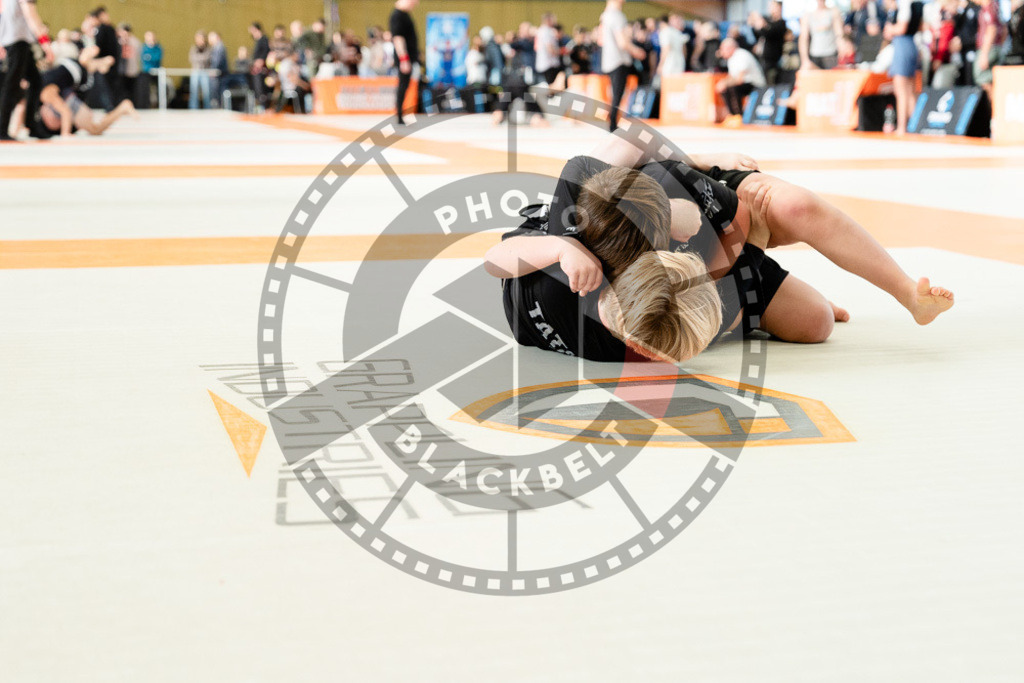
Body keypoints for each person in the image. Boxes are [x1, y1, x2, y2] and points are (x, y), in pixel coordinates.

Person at [486, 133, 954, 361]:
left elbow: (496, 258)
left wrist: (563, 251)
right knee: (815, 323)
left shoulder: (585, 237)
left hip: (651, 215)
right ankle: (740, 295)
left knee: (794, 210)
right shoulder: (646, 330)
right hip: (674, 263)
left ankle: (907, 293)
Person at [34, 45, 136, 137]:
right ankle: (122, 108)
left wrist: (65, 134)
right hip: (74, 81)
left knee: (94, 129)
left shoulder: (46, 93)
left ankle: (100, 63)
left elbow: (65, 112)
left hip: (72, 72)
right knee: (95, 130)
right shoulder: (47, 95)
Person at [1, 0, 54, 141]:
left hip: (18, 40)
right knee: (11, 85)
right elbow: (31, 15)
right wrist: (45, 43)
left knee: (36, 81)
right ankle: (2, 128)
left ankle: (31, 125)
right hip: (17, 41)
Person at [599, 0, 644, 132]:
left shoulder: (605, 15)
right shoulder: (617, 16)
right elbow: (622, 42)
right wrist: (636, 51)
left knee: (615, 93)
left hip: (609, 60)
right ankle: (613, 124)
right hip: (619, 60)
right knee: (618, 93)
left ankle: (612, 121)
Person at [884, 0, 924, 134]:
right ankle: (915, 125)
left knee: (901, 89)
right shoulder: (916, 4)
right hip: (911, 45)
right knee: (910, 91)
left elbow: (902, 28)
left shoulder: (905, 4)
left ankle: (902, 127)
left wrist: (890, 29)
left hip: (903, 46)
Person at [716, 37, 767, 115]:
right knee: (725, 88)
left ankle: (739, 115)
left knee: (733, 88)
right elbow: (731, 77)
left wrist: (725, 83)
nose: (721, 52)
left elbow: (740, 80)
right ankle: (732, 115)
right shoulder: (731, 59)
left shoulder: (742, 55)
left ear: (730, 48)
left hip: (756, 84)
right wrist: (722, 83)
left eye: (722, 49)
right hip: (745, 83)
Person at [389, 0, 419, 125]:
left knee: (404, 85)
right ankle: (399, 114)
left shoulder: (405, 14)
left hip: (409, 57)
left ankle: (401, 114)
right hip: (405, 58)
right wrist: (404, 59)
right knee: (402, 85)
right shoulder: (397, 15)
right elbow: (398, 38)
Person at [973, 0, 1006, 98]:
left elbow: (992, 29)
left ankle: (993, 107)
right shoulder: (996, 6)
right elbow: (1004, 29)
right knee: (994, 78)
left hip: (988, 48)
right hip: (996, 47)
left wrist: (984, 53)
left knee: (982, 77)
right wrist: (1000, 45)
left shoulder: (988, 8)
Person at [749, 1, 787, 85]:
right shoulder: (768, 21)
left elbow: (769, 33)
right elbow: (759, 35)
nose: (771, 9)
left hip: (773, 61)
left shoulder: (781, 23)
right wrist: (754, 25)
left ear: (779, 8)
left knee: (771, 83)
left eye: (773, 6)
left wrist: (762, 23)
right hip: (762, 59)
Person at [800, 0, 844, 69]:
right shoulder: (807, 15)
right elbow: (803, 38)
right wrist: (804, 59)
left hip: (831, 54)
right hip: (815, 54)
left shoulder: (833, 12)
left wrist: (841, 49)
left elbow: (839, 34)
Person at [656, 14, 688, 83]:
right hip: (680, 64)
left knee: (668, 89)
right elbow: (684, 50)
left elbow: (665, 49)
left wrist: (661, 65)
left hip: (669, 65)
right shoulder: (678, 33)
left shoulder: (665, 32)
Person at [535, 12, 562, 85]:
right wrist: (561, 51)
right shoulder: (546, 31)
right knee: (549, 87)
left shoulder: (541, 30)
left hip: (544, 64)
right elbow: (550, 49)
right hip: (548, 65)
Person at [118, 24, 141, 106]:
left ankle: (131, 105)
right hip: (121, 71)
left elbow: (138, 56)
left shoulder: (135, 42)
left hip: (132, 70)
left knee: (132, 90)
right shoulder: (119, 41)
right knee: (121, 90)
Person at [249, 22, 270, 109]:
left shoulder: (264, 39)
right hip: (256, 68)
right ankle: (258, 102)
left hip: (262, 68)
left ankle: (263, 105)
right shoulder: (257, 41)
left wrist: (261, 61)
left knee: (260, 86)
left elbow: (265, 53)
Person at [188, 30, 211, 110]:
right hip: (195, 72)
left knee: (206, 92)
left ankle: (208, 108)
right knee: (194, 92)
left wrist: (199, 58)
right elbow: (192, 58)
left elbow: (207, 58)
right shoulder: (193, 48)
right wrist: (202, 59)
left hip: (205, 72)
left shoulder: (208, 49)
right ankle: (193, 109)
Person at [208, 31, 228, 107]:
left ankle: (219, 106)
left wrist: (213, 70)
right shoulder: (216, 47)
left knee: (218, 93)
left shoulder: (219, 47)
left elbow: (217, 61)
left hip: (220, 75)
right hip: (219, 74)